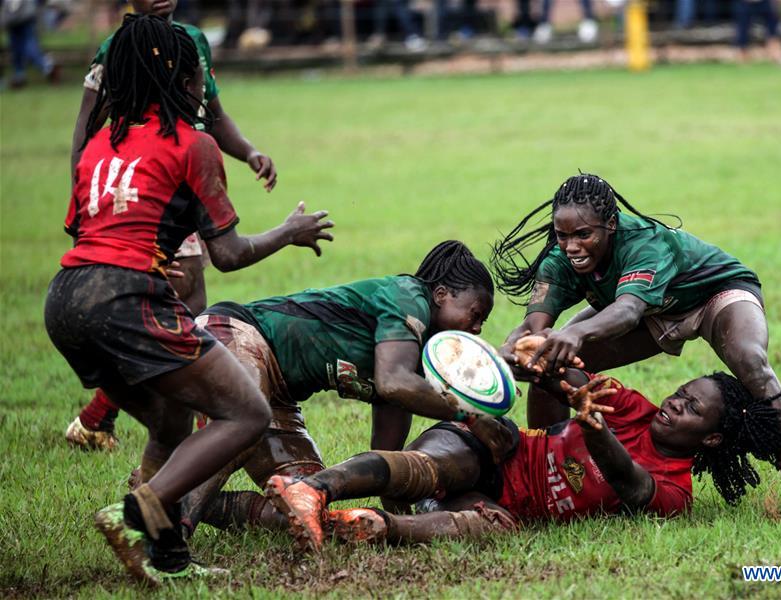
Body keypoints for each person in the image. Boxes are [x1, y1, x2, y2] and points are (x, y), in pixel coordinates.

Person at [44, 15, 333, 584]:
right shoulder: (193, 144)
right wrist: (288, 232)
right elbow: (226, 254)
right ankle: (139, 510)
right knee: (247, 410)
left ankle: (166, 555)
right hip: (126, 299)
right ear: (180, 78)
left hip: (65, 300)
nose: (206, 83)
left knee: (172, 421)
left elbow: (87, 231)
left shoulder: (101, 143)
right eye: (200, 73)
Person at [489, 173, 781, 509]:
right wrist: (512, 350)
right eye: (562, 235)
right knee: (550, 360)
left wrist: (574, 332)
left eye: (583, 234)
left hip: (712, 294)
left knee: (749, 359)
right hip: (652, 308)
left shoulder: (643, 242)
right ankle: (552, 463)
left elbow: (628, 311)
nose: (571, 246)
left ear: (611, 224)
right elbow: (534, 327)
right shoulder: (560, 259)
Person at [262, 350, 781, 551]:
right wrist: (544, 361)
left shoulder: (677, 491)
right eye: (682, 391)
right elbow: (572, 376)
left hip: (504, 505)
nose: (675, 402)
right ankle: (317, 487)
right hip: (497, 454)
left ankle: (377, 526)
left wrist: (594, 426)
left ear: (712, 439)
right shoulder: (634, 407)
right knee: (462, 454)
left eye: (692, 408)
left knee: (492, 525)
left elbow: (630, 483)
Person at [173, 240, 513, 533]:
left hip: (281, 395)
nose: (478, 329)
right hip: (237, 333)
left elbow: (387, 460)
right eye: (475, 314)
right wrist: (471, 416)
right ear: (441, 295)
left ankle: (162, 492)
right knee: (244, 426)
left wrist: (402, 521)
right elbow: (393, 383)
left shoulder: (408, 366)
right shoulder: (409, 298)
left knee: (303, 502)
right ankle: (169, 538)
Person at [65, 0, 279, 450]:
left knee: (185, 304)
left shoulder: (193, 41)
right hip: (148, 191)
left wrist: (249, 151)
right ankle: (184, 416)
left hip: (179, 183)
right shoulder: (116, 47)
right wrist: (92, 198)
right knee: (180, 311)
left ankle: (124, 441)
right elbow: (88, 126)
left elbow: (214, 113)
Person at [2, 0, 60, 89]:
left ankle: (45, 67)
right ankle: (45, 67)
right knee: (20, 47)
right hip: (21, 16)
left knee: (25, 47)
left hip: (19, 16)